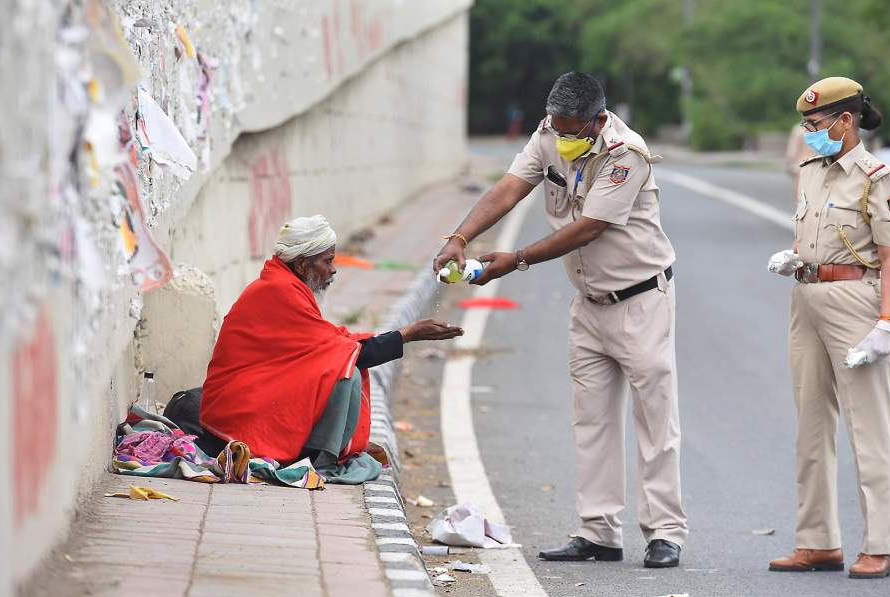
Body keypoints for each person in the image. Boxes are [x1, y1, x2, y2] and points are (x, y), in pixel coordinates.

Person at [433, 72, 688, 568]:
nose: (563, 137)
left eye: (573, 130)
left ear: (598, 120)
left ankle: (665, 532)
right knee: (591, 421)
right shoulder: (548, 132)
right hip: (588, 302)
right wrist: (459, 238)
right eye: (557, 126)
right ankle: (598, 531)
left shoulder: (626, 154)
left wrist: (516, 259)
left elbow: (589, 227)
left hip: (641, 300)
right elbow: (510, 188)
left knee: (655, 422)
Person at [186, 215, 462, 481]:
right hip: (236, 413)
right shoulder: (277, 291)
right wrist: (407, 334)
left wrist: (403, 335)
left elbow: (332, 340)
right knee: (346, 373)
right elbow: (345, 351)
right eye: (327, 261)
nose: (333, 269)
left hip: (252, 396)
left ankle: (315, 452)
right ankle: (321, 459)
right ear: (302, 264)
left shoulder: (285, 284)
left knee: (343, 361)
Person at [766, 77, 890, 579]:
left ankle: (879, 545)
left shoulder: (878, 178)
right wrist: (794, 256)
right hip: (806, 297)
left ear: (846, 121)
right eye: (805, 124)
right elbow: (812, 234)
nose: (808, 133)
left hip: (855, 301)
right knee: (810, 424)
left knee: (868, 428)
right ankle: (817, 541)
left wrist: (886, 323)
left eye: (815, 123)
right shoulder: (810, 171)